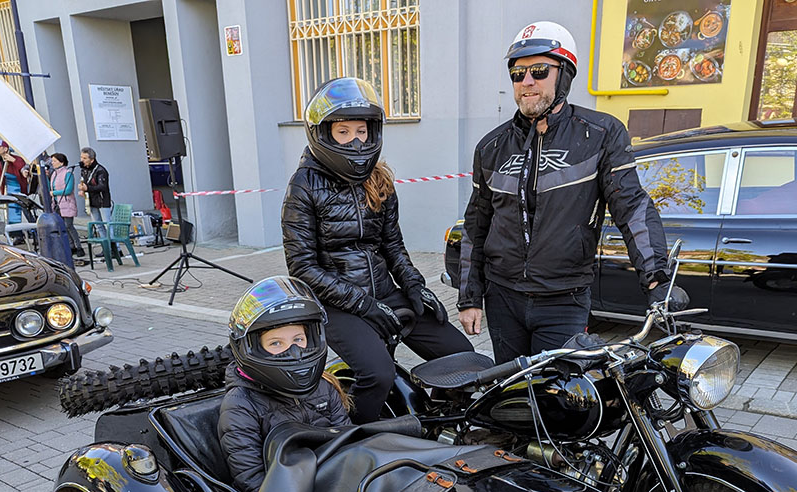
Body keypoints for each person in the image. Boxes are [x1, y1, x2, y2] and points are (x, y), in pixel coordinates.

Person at [458, 21, 672, 363]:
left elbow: (631, 207)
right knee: (512, 390)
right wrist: (470, 297)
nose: (527, 81)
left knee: (561, 392)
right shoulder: (491, 147)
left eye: (539, 71)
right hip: (502, 298)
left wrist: (656, 280)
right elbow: (476, 224)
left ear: (565, 75)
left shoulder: (601, 134)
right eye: (518, 73)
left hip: (564, 300)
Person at [283, 76, 473, 423]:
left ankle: (440, 426)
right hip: (335, 305)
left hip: (384, 293)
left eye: (361, 131)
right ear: (323, 134)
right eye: (344, 132)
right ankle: (355, 438)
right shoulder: (303, 186)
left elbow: (393, 245)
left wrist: (414, 285)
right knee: (378, 375)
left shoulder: (379, 179)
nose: (356, 141)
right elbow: (302, 268)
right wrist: (362, 305)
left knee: (461, 355)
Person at [218, 276, 352, 492]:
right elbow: (251, 480)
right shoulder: (240, 404)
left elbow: (348, 442)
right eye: (276, 343)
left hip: (334, 485)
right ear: (253, 349)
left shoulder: (324, 387)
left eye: (298, 340)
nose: (294, 352)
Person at [0, 140, 29, 243]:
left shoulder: (17, 159)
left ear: (6, 149)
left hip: (18, 189)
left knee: (25, 211)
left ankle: (35, 231)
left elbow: (23, 168)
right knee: (10, 213)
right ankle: (16, 235)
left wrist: (13, 160)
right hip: (6, 189)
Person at [48, 153, 85, 260]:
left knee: (69, 225)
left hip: (66, 202)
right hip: (57, 203)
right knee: (62, 226)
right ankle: (71, 246)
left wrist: (54, 193)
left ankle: (79, 246)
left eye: (54, 161)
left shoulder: (68, 173)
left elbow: (68, 190)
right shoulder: (54, 174)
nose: (52, 163)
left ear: (61, 162)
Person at [77, 146, 113, 242]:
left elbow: (102, 187)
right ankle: (105, 246)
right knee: (98, 225)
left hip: (102, 201)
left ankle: (115, 247)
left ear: (92, 159)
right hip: (91, 201)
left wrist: (87, 188)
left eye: (85, 158)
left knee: (108, 224)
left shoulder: (100, 170)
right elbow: (86, 183)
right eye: (81, 157)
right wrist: (83, 190)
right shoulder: (84, 170)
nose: (82, 160)